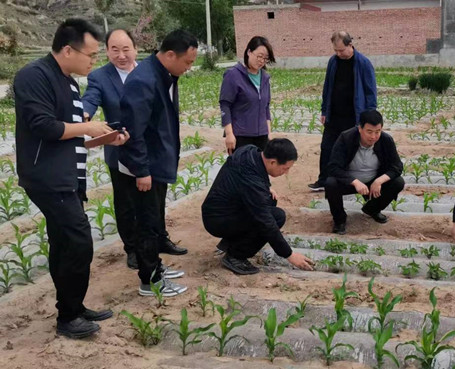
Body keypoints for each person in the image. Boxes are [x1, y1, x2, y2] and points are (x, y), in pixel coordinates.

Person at [14, 18, 129, 339]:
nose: (94, 62)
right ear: (68, 50)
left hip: (69, 175)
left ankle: (72, 307)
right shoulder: (33, 76)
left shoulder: (68, 81)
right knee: (78, 240)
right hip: (46, 176)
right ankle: (68, 316)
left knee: (64, 243)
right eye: (91, 55)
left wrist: (105, 136)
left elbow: (73, 136)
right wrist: (88, 127)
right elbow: (44, 126)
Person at [82, 29, 187, 270]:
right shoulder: (100, 77)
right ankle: (132, 248)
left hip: (155, 151)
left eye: (126, 49)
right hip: (122, 152)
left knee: (155, 200)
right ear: (107, 51)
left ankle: (159, 238)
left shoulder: (156, 72)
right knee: (127, 203)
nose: (121, 55)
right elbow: (91, 98)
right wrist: (84, 114)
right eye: (114, 50)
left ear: (135, 49)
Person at [119, 30, 198, 298]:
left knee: (154, 222)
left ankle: (155, 267)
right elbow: (133, 131)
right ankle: (149, 281)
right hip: (145, 169)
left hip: (156, 165)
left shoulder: (163, 76)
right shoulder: (144, 80)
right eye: (187, 62)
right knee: (147, 224)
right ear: (169, 55)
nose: (189, 68)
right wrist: (141, 170)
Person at [201, 138, 315, 275]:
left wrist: (266, 188)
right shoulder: (253, 181)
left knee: (269, 200)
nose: (286, 173)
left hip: (220, 209)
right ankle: (236, 256)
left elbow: (246, 181)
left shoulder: (250, 151)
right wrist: (289, 255)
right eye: (285, 168)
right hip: (218, 219)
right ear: (272, 162)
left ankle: (231, 242)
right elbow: (266, 221)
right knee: (276, 217)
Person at [308, 31, 377, 192]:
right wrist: (325, 110)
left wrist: (369, 118)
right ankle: (323, 180)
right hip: (334, 115)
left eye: (341, 50)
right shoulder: (333, 62)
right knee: (327, 147)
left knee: (348, 150)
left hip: (354, 116)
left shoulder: (363, 63)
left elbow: (370, 92)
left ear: (350, 45)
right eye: (335, 51)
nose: (338, 54)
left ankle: (346, 182)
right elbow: (327, 88)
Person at [324, 110, 404, 235]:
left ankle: (372, 209)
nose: (373, 137)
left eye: (377, 132)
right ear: (360, 128)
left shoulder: (386, 140)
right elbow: (333, 167)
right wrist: (354, 182)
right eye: (369, 132)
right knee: (330, 183)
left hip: (373, 181)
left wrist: (379, 180)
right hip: (350, 181)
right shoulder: (346, 138)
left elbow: (397, 166)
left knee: (398, 182)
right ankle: (339, 220)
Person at [219, 36, 276, 154]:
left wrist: (268, 133)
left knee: (259, 170)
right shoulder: (233, 75)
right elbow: (225, 105)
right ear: (249, 52)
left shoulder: (265, 78)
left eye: (265, 59)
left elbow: (266, 107)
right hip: (240, 136)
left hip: (262, 136)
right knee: (241, 170)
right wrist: (229, 134)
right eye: (259, 56)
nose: (262, 61)